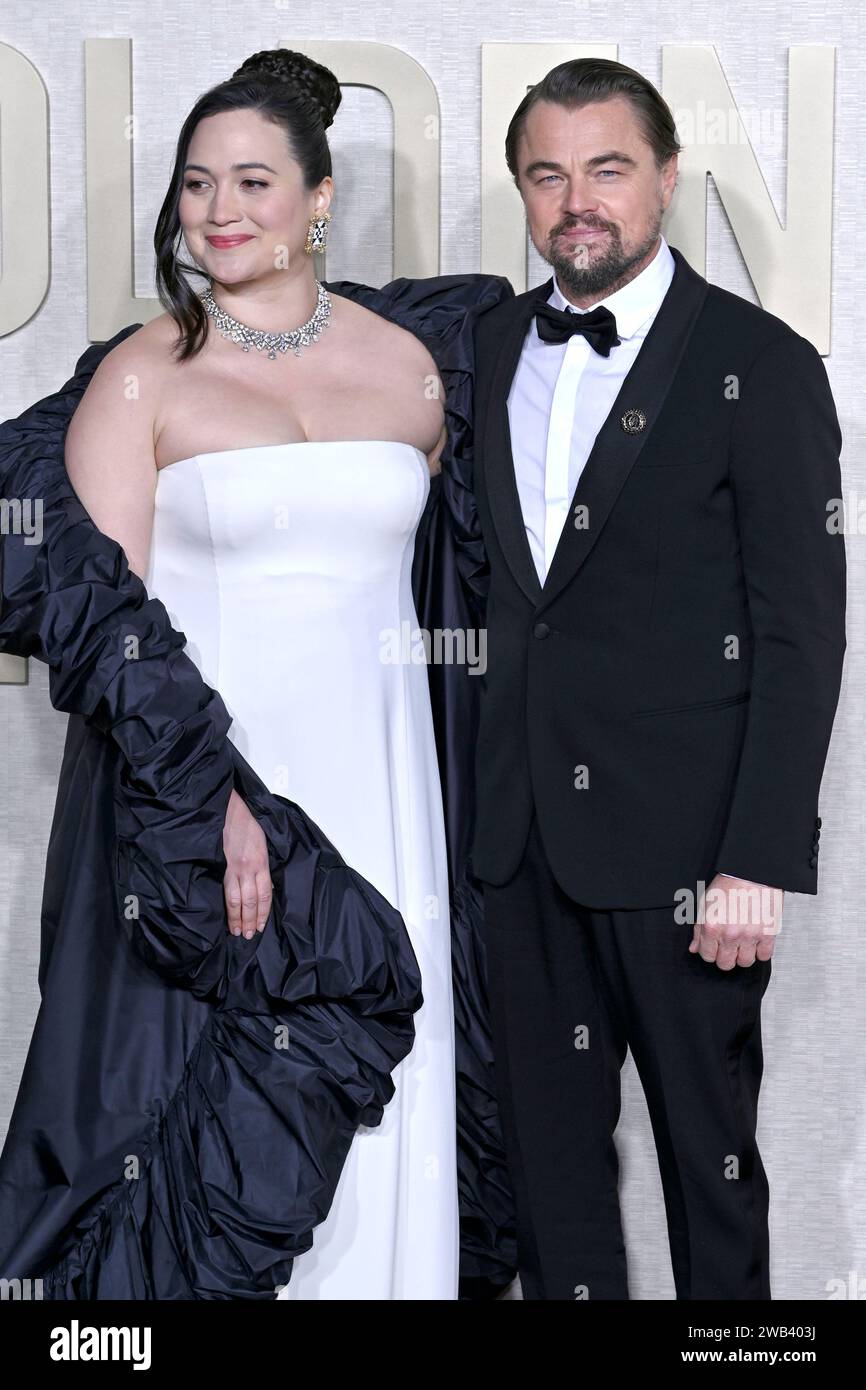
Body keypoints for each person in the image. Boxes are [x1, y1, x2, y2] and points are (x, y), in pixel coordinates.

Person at [0, 48, 516, 1300]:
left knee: (391, 1090)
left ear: (320, 199)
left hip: (386, 790)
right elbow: (101, 619)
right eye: (194, 186)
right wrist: (210, 800)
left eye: (252, 183)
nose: (219, 213)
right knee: (212, 1110)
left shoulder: (420, 364)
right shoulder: (139, 374)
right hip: (216, 799)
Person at [468, 57, 846, 1299]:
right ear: (524, 192)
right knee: (551, 1189)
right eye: (548, 173)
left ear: (667, 180)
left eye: (608, 168)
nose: (577, 200)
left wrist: (757, 858)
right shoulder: (481, 353)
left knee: (710, 1175)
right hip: (519, 849)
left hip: (692, 862)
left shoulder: (761, 363)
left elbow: (801, 633)